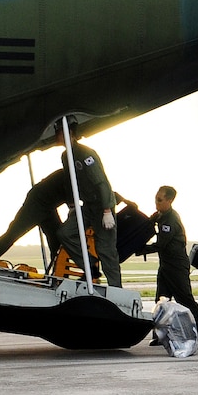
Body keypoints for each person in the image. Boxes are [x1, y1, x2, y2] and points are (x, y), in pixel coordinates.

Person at [55, 123, 121, 288]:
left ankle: (117, 290)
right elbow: (69, 182)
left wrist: (107, 210)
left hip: (101, 207)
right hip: (87, 207)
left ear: (68, 133)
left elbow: (102, 183)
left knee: (106, 249)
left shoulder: (85, 154)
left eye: (59, 133)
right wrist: (71, 205)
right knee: (65, 233)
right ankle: (90, 265)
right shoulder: (66, 156)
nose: (56, 136)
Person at [142, 185, 198, 332]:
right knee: (161, 300)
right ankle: (161, 334)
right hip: (166, 264)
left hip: (176, 265)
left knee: (185, 299)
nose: (156, 203)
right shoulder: (163, 216)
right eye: (155, 199)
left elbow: (161, 244)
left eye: (160, 200)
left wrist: (141, 249)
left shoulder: (169, 219)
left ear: (169, 200)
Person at [0, 172, 71, 264]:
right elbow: (73, 206)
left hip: (48, 205)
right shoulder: (72, 176)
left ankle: (57, 271)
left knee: (57, 240)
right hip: (37, 202)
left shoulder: (76, 175)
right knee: (15, 232)